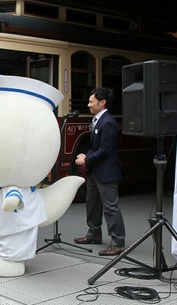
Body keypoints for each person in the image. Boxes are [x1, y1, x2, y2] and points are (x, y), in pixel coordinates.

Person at [74, 87, 126, 256]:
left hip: (106, 172)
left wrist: (86, 159)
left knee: (111, 207)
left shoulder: (108, 122)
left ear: (102, 103)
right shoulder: (98, 120)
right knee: (92, 203)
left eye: (91, 102)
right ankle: (94, 233)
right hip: (95, 171)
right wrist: (86, 155)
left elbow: (105, 149)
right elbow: (96, 147)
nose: (88, 105)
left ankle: (118, 242)